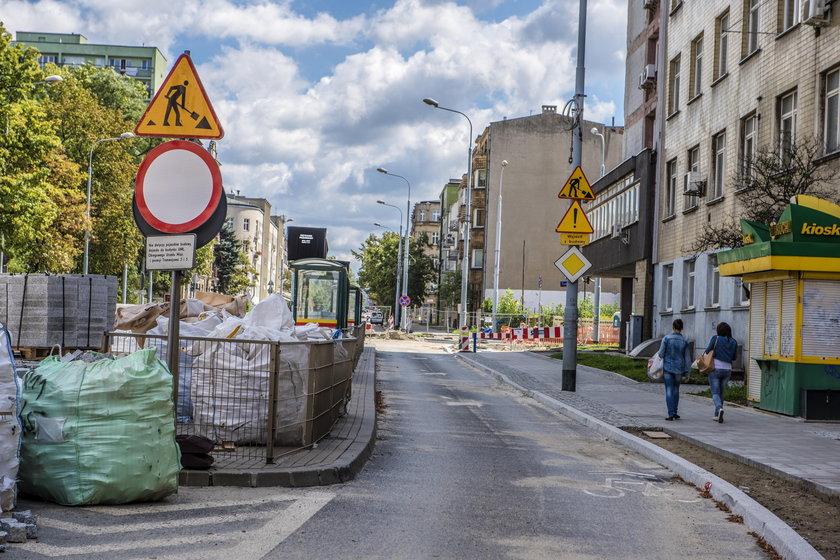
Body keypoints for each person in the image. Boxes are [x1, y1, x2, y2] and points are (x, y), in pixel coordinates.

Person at [657, 318, 691, 421]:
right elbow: (687, 359)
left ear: (673, 327)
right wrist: (687, 374)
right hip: (679, 369)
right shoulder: (685, 341)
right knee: (676, 390)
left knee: (669, 390)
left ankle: (670, 413)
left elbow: (661, 353)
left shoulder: (666, 339)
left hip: (668, 368)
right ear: (682, 328)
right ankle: (675, 412)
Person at [704, 322, 738, 423]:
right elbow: (734, 357)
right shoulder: (734, 342)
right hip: (727, 370)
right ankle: (717, 415)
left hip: (715, 369)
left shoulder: (716, 338)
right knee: (721, 393)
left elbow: (707, 351)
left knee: (715, 393)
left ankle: (719, 409)